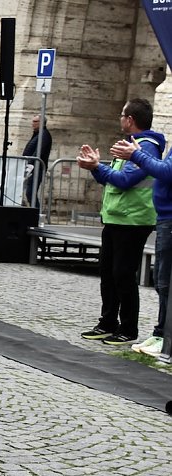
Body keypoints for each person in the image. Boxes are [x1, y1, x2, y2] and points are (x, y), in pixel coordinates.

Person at [77, 98, 164, 346]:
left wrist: (97, 167)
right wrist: (95, 168)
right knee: (108, 273)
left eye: (122, 115)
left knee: (123, 274)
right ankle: (107, 322)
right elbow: (114, 177)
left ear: (130, 119)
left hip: (133, 220)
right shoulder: (130, 144)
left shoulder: (145, 147)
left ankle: (128, 328)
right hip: (116, 217)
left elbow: (126, 180)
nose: (120, 119)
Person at [110, 137, 172, 356]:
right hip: (164, 218)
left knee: (165, 283)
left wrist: (136, 155)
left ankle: (165, 337)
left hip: (166, 219)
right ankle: (161, 333)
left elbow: (167, 172)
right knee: (162, 282)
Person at [22, 114, 52, 208]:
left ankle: (36, 213)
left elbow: (39, 151)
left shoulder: (44, 135)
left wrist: (29, 163)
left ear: (42, 123)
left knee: (30, 193)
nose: (32, 124)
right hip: (32, 167)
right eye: (33, 121)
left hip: (36, 168)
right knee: (29, 193)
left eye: (35, 122)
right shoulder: (38, 134)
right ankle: (35, 213)